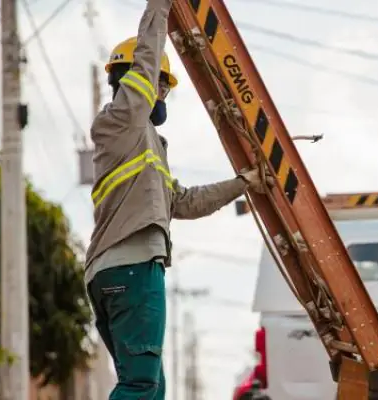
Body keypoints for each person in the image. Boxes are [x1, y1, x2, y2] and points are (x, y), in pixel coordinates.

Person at [84, 0, 271, 398]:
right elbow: (147, 63)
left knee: (152, 388)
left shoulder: (142, 144)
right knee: (140, 384)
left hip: (116, 272)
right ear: (134, 79)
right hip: (132, 268)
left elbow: (183, 202)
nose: (163, 93)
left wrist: (243, 183)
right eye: (162, 85)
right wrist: (160, 8)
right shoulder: (122, 119)